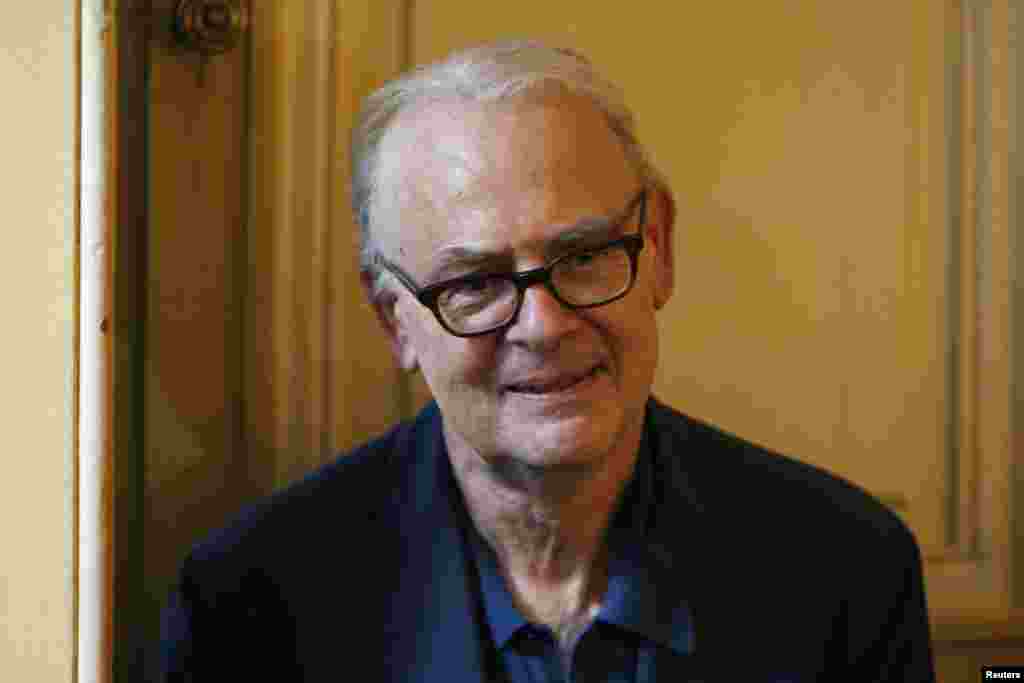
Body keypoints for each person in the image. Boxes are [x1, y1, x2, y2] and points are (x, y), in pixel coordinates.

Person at [160, 41, 936, 682]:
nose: (545, 324)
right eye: (474, 283)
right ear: (393, 317)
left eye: (586, 254)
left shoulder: (847, 574)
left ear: (658, 247)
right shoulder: (248, 609)